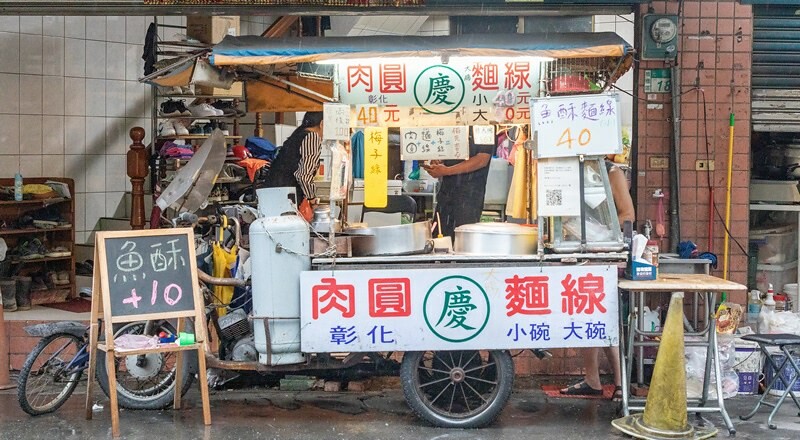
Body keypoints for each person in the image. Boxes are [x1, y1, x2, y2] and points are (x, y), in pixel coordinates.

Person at [560, 157, 635, 400]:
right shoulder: (571, 170)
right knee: (586, 315)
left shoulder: (612, 173)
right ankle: (592, 379)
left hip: (605, 255)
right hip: (579, 254)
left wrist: (596, 231)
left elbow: (628, 215)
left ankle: (620, 383)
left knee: (607, 318)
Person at [423, 127, 494, 240]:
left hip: (469, 196)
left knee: (463, 240)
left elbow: (482, 159)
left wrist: (447, 171)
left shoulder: (484, 125)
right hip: (446, 193)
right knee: (440, 237)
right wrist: (438, 159)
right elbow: (446, 150)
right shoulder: (452, 123)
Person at [262, 111, 324, 207]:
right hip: (286, 195)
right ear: (322, 123)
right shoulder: (312, 137)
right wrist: (312, 199)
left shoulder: (298, 134)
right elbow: (304, 175)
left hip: (274, 190)